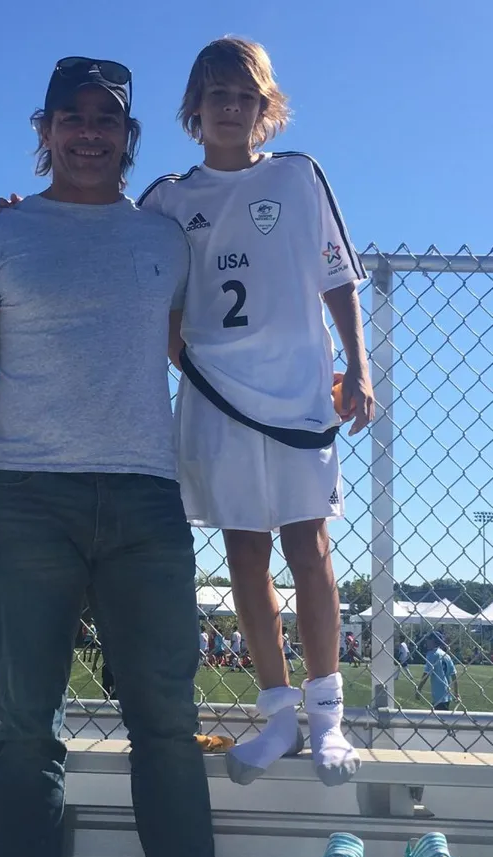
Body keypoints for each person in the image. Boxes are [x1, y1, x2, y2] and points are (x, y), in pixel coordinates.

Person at [0, 57, 214, 857]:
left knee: (166, 722)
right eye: (72, 117)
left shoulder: (165, 239)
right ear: (45, 131)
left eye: (106, 118)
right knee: (27, 726)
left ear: (128, 135)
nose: (89, 132)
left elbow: (201, 354)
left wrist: (304, 369)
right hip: (27, 502)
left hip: (147, 504)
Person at [137, 36, 374, 788]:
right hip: (219, 402)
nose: (231, 108)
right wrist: (191, 363)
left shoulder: (297, 176)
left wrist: (358, 366)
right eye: (218, 95)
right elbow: (151, 292)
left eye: (246, 97)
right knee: (245, 554)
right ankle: (278, 716)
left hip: (297, 396)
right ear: (195, 107)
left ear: (264, 108)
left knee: (310, 547)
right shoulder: (168, 198)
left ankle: (328, 716)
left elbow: (338, 278)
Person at [416, 631, 460, 711]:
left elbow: (426, 674)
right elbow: (454, 675)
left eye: (428, 639)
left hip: (438, 694)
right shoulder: (446, 655)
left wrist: (419, 689)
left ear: (433, 640)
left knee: (439, 716)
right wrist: (456, 693)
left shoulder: (432, 654)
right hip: (447, 693)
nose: (426, 641)